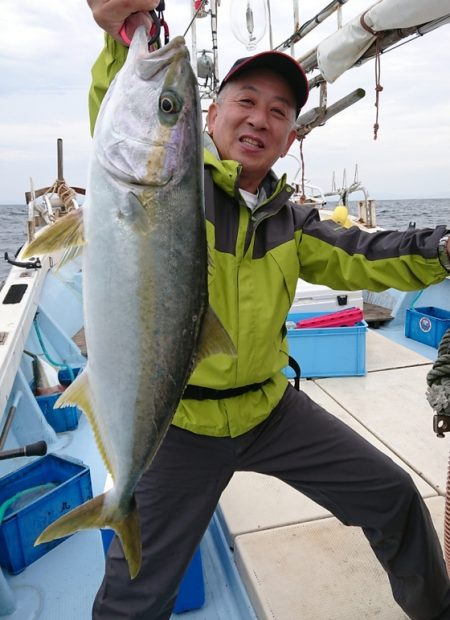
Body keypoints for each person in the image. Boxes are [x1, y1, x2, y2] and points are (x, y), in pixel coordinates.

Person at [87, 1, 450, 618]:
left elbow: (367, 255)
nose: (260, 119)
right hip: (178, 428)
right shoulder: (168, 185)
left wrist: (441, 249)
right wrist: (122, 35)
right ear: (213, 113)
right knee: (135, 596)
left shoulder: (293, 221)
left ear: (290, 136)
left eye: (279, 112)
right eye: (246, 101)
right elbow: (129, 112)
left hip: (271, 409)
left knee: (394, 496)